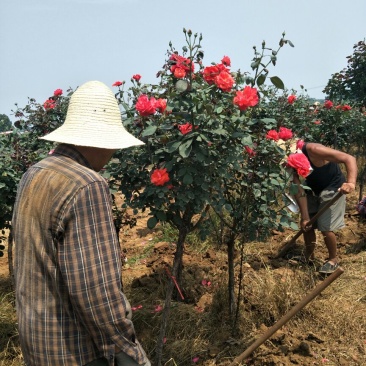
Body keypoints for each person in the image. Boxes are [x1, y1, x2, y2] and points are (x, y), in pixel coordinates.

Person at [12, 81, 151, 366]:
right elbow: (96, 292)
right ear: (99, 140)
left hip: (38, 343)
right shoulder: (87, 184)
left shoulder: (35, 173)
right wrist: (131, 355)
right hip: (76, 353)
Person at [291, 141, 357, 274]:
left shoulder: (313, 150)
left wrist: (351, 183)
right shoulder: (288, 163)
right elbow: (299, 190)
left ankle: (333, 260)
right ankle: (308, 256)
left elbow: (349, 158)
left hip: (333, 187)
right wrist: (305, 217)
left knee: (325, 226)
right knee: (307, 225)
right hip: (312, 188)